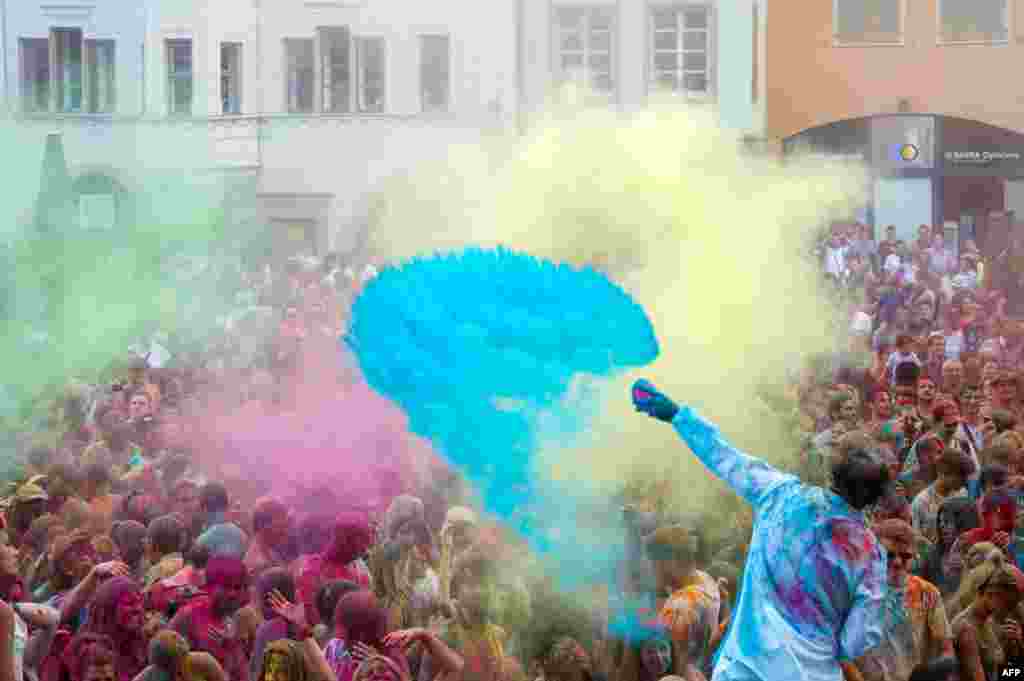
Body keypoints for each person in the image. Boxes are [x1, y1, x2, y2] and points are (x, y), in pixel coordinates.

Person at [631, 380, 888, 680]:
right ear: (875, 495)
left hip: (746, 669)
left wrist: (676, 414)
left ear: (832, 471)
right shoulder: (871, 557)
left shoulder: (782, 495)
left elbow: (725, 458)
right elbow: (857, 640)